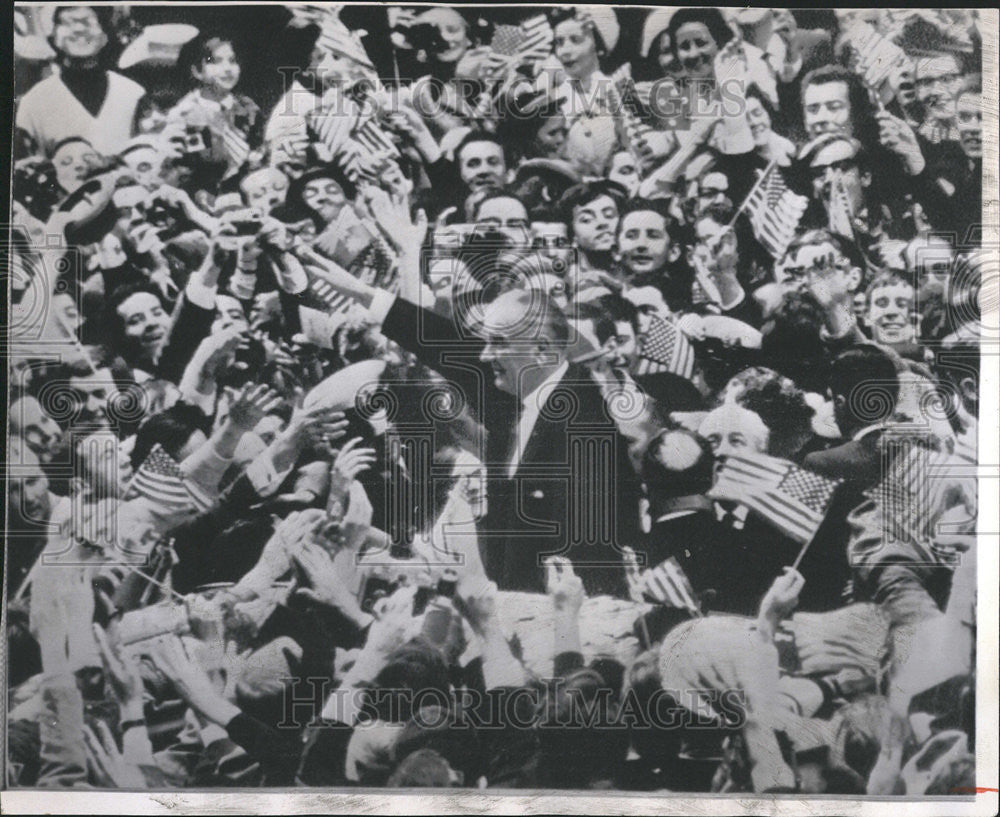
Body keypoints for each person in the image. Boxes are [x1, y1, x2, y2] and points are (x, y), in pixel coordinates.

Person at [15, 6, 146, 157]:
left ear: (105, 36)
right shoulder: (34, 102)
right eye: (67, 23)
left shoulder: (131, 93)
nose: (78, 29)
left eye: (88, 22)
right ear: (53, 36)